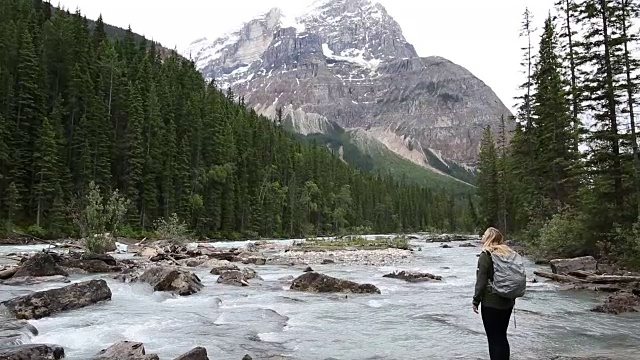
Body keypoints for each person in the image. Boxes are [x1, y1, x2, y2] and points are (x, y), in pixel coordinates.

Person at [473, 227, 516, 360]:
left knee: (493, 339)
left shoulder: (486, 255)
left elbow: (481, 281)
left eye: (484, 235)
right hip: (508, 302)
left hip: (491, 303)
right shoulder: (508, 253)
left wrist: (476, 301)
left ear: (489, 238)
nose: (482, 236)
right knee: (502, 336)